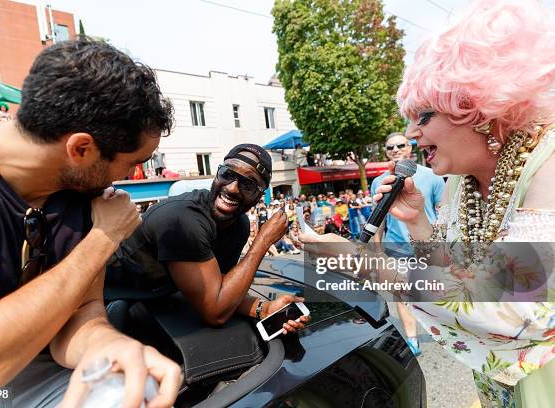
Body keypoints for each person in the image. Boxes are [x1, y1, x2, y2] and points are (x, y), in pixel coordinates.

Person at [303, 1, 555, 406]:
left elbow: (514, 307)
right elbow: (452, 272)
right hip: (498, 385)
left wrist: (364, 263)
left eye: (423, 116)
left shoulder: (549, 161)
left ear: (476, 108)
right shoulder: (460, 183)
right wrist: (418, 220)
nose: (411, 133)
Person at [0, 39, 183, 408]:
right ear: (82, 149)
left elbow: (82, 315)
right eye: (133, 162)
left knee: (131, 393)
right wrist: (104, 238)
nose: (129, 176)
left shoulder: (83, 192)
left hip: (33, 374)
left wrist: (108, 344)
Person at [109, 144, 310, 331]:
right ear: (217, 174)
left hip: (156, 304)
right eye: (227, 174)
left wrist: (264, 309)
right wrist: (263, 241)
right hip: (106, 305)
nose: (232, 188)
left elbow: (219, 287)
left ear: (259, 197)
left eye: (247, 185)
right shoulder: (181, 219)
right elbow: (215, 312)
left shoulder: (239, 225)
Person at [370, 132, 445, 356]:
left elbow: (442, 214)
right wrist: (377, 250)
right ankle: (412, 340)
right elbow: (378, 219)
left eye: (400, 145)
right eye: (390, 147)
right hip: (397, 248)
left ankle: (446, 333)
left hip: (427, 246)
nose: (395, 150)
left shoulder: (432, 176)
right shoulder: (378, 182)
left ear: (410, 148)